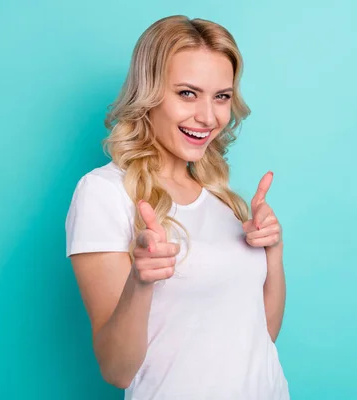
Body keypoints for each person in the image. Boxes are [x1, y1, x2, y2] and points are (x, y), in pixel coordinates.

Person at [65, 15, 290, 400]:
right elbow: (116, 370)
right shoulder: (103, 193)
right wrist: (140, 282)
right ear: (148, 93)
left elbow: (262, 335)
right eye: (187, 93)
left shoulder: (221, 196)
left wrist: (273, 248)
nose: (209, 116)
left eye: (221, 96)